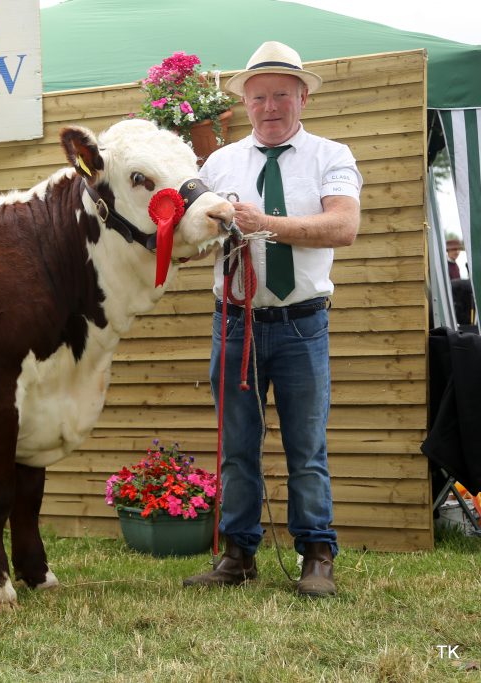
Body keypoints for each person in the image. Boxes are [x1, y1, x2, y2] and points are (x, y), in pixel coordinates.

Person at [182, 41, 362, 597]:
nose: (270, 106)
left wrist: (266, 223)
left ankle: (317, 554)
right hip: (235, 321)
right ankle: (237, 554)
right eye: (259, 97)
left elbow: (343, 228)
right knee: (237, 444)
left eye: (282, 94)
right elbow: (195, 241)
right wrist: (212, 230)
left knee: (306, 447)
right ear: (247, 102)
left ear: (302, 96)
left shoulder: (332, 156)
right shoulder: (218, 164)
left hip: (303, 322)